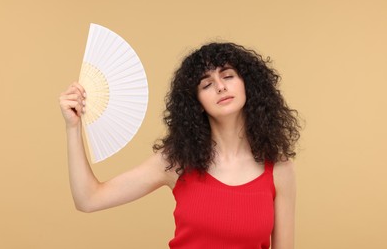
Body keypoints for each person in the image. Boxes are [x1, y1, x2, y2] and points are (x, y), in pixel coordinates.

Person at [59, 42, 301, 249]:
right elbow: (88, 199)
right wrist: (73, 128)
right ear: (196, 103)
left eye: (228, 75)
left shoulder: (279, 170)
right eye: (206, 84)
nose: (220, 86)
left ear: (248, 83)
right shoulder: (176, 162)